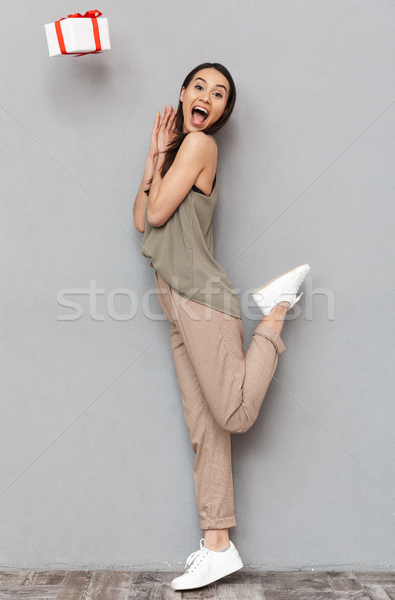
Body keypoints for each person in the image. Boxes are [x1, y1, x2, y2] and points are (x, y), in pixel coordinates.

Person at [133, 62, 310, 591]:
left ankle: (275, 311)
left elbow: (158, 212)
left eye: (219, 93)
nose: (206, 95)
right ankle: (218, 546)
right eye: (199, 86)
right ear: (184, 93)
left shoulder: (199, 146)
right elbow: (140, 218)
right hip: (177, 303)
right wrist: (151, 154)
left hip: (201, 300)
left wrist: (163, 160)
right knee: (205, 429)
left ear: (221, 113)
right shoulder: (175, 151)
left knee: (232, 414)